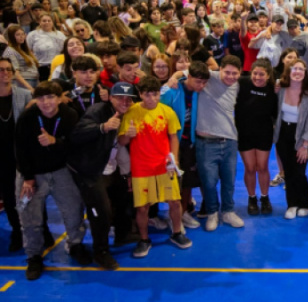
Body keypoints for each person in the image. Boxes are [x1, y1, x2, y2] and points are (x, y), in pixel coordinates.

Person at [15, 81, 87, 280]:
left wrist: (57, 142)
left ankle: (75, 244)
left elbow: (75, 144)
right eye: (41, 98)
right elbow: (20, 150)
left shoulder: (69, 115)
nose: (45, 102)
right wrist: (28, 179)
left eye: (50, 97)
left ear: (59, 98)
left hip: (61, 171)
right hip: (32, 173)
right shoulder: (27, 118)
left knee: (73, 211)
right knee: (30, 218)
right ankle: (34, 256)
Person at [118, 76, 191, 258]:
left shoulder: (167, 112)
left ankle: (176, 233)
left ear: (159, 94)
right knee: (143, 207)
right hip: (142, 168)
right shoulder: (131, 112)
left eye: (155, 94)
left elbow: (173, 137)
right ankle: (144, 239)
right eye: (147, 94)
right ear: (141, 95)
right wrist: (128, 134)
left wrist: (174, 160)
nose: (151, 98)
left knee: (174, 201)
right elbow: (121, 141)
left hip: (164, 166)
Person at [69, 81, 137, 270]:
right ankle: (101, 252)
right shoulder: (98, 110)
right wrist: (102, 127)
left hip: (110, 167)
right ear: (111, 98)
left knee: (123, 198)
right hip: (90, 170)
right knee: (101, 212)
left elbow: (119, 145)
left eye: (128, 99)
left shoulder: (127, 114)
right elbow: (76, 134)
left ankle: (122, 234)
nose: (125, 102)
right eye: (120, 98)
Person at [193, 55, 244, 230]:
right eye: (227, 72)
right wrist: (173, 78)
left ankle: (228, 211)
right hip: (206, 142)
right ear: (219, 69)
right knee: (208, 182)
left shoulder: (237, 85)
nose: (230, 76)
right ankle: (212, 213)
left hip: (230, 141)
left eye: (234, 73)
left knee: (229, 181)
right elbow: (185, 72)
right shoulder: (208, 77)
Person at [161, 61, 211, 229]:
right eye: (198, 81)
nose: (201, 85)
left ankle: (183, 213)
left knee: (187, 182)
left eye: (204, 82)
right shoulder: (171, 91)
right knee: (173, 181)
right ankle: (173, 215)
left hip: (190, 142)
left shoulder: (200, 92)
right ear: (188, 77)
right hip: (172, 143)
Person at [273, 59, 308, 219]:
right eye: (295, 69)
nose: (298, 72)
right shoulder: (281, 90)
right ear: (289, 72)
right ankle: (292, 204)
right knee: (288, 171)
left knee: (299, 172)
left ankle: (305, 203)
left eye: (301, 69)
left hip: (301, 137)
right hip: (283, 134)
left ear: (305, 74)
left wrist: (305, 145)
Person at [235, 59, 277, 215]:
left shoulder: (273, 89)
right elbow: (218, 75)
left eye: (262, 74)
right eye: (255, 73)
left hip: (264, 133)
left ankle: (265, 197)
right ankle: (252, 197)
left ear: (268, 76)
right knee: (250, 168)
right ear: (250, 73)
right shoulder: (243, 83)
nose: (258, 77)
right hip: (244, 132)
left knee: (262, 167)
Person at [0, 57, 31, 253]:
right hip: (1, 156)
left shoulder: (25, 95)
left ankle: (40, 230)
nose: (5, 73)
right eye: (1, 69)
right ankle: (17, 232)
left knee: (29, 196)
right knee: (9, 198)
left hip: (20, 154)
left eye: (8, 69)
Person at [3, 24, 38, 90]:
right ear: (12, 37)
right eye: (18, 35)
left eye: (23, 34)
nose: (21, 37)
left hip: (33, 81)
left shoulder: (24, 50)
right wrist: (30, 88)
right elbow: (16, 74)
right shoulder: (10, 51)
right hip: (22, 84)